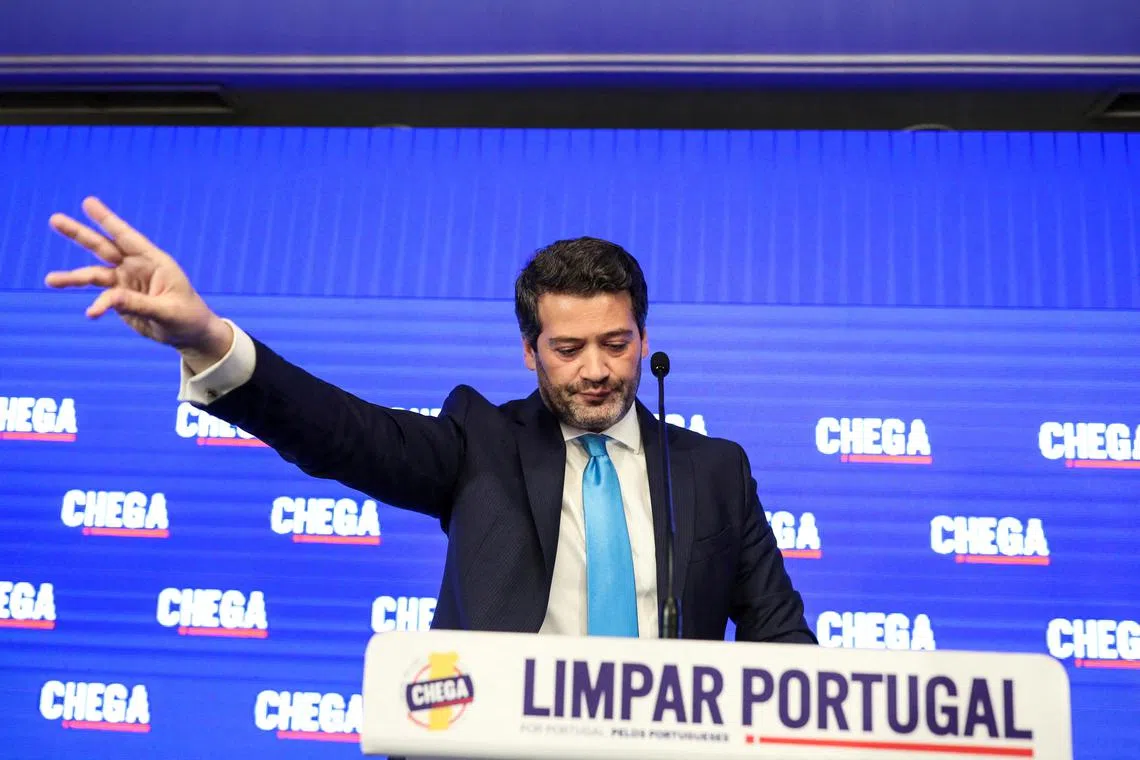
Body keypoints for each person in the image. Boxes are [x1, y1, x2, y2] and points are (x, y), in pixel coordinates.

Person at [45, 196, 816, 643]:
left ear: (644, 340)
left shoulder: (716, 472)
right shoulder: (481, 443)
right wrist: (210, 338)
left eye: (616, 344)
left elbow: (783, 643)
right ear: (529, 353)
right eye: (568, 348)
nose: (596, 370)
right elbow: (343, 432)